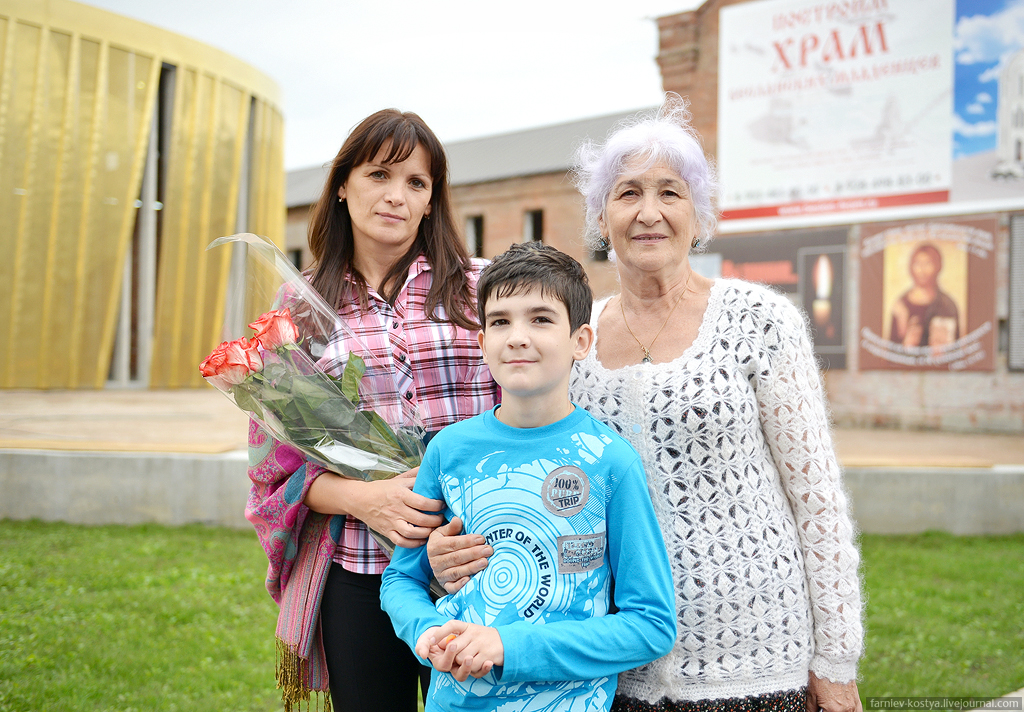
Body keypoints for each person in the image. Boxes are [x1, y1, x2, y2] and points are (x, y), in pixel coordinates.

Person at [427, 96, 864, 712]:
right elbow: (528, 474)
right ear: (601, 218)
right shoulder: (571, 339)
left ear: (698, 215)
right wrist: (457, 547)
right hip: (610, 666)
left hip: (757, 654)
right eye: (628, 193)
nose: (649, 212)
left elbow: (818, 503)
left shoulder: (759, 321)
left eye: (671, 193)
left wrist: (836, 661)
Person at [245, 109, 499, 712]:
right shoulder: (300, 307)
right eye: (379, 174)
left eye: (417, 183)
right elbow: (273, 464)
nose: (397, 196)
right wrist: (367, 499)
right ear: (342, 185)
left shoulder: (485, 289)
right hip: (358, 574)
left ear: (433, 200)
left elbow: (537, 407)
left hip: (482, 561)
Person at [380, 242, 677, 712]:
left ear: (581, 340)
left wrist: (507, 647)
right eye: (500, 321)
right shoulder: (449, 451)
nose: (516, 336)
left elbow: (651, 625)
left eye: (540, 319)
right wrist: (426, 631)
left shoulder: (609, 461)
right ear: (482, 343)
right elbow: (400, 580)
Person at [889, 242, 960, 348]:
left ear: (937, 266)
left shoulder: (947, 305)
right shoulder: (901, 306)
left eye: (927, 263)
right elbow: (890, 353)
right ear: (911, 267)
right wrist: (906, 343)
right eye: (917, 263)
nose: (922, 270)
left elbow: (956, 352)